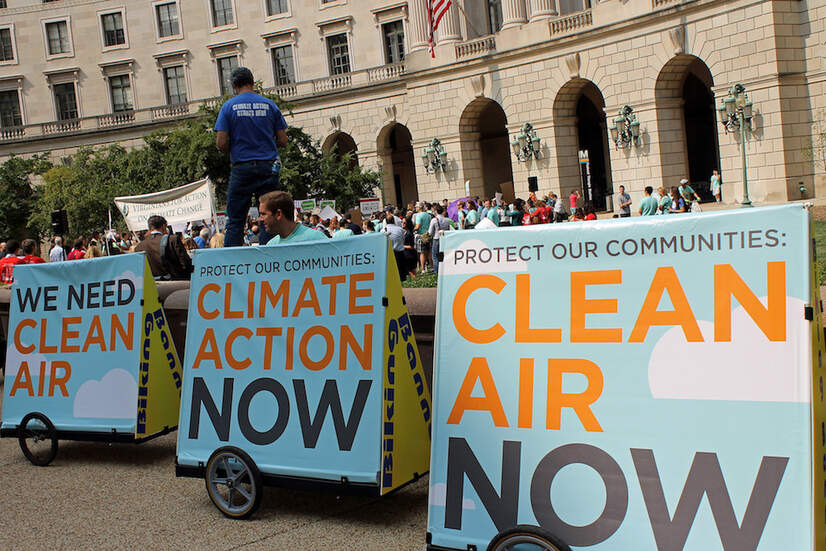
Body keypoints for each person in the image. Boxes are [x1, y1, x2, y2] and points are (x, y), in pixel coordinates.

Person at [215, 66, 288, 247]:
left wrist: (240, 144)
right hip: (268, 166)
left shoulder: (228, 107)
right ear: (252, 83)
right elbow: (283, 140)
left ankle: (233, 265)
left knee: (235, 220)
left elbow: (221, 143)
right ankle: (271, 260)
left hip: (242, 167)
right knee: (270, 217)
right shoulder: (270, 105)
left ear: (234, 85)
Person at [135, 215, 194, 280]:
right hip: (176, 283)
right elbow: (186, 262)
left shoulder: (138, 247)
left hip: (151, 285)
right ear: (164, 226)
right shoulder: (172, 239)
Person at [259, 191, 327, 245]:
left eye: (263, 214)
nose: (260, 219)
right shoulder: (271, 246)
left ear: (278, 214)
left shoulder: (317, 239)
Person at [428, 205, 453, 275]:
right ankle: (445, 270)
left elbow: (430, 232)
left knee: (435, 256)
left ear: (436, 211)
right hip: (444, 239)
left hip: (436, 239)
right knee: (443, 256)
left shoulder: (434, 220)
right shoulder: (446, 220)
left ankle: (437, 271)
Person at [413, 202, 432, 273]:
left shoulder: (418, 215)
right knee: (429, 252)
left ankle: (423, 268)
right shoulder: (428, 215)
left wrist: (412, 229)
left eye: (416, 207)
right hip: (428, 234)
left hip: (421, 235)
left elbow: (418, 226)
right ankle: (431, 266)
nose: (415, 208)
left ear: (419, 208)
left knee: (422, 253)